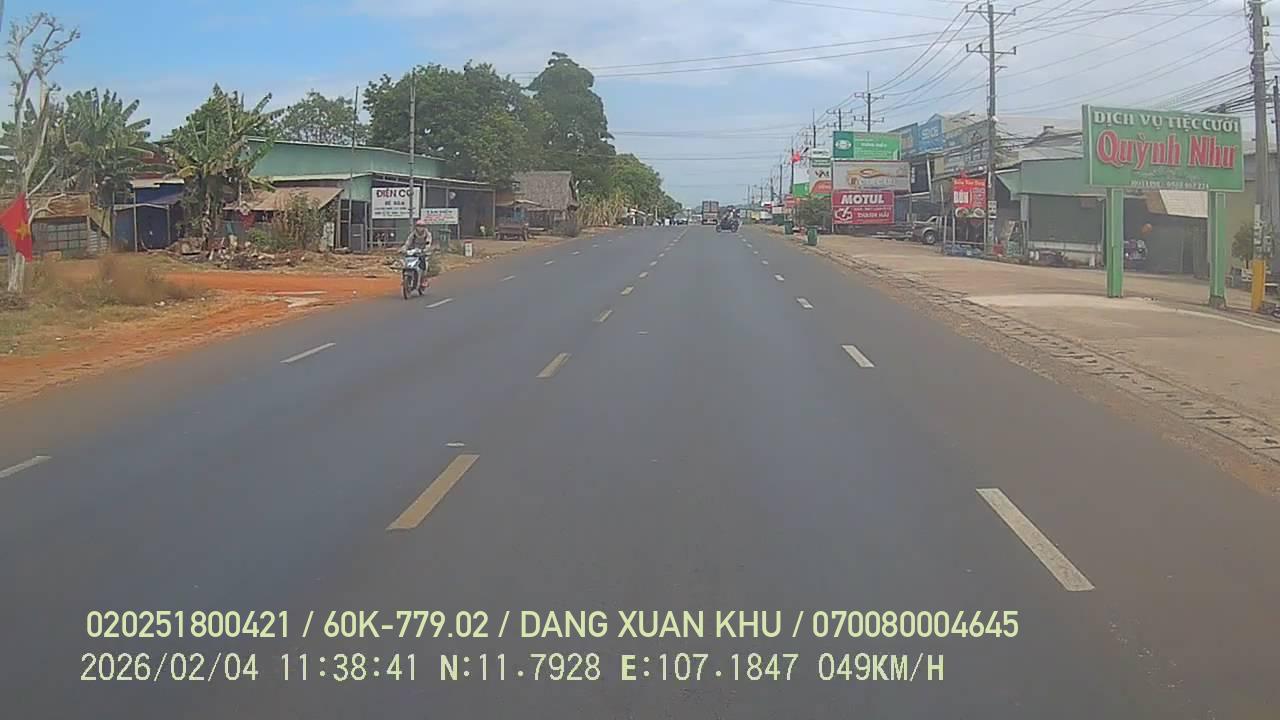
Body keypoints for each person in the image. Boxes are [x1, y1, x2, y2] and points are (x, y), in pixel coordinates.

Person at [400, 218, 434, 290]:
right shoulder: (413, 234)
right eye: (418, 226)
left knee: (424, 265)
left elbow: (428, 243)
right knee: (405, 264)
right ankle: (405, 280)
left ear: (424, 227)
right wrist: (403, 249)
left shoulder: (428, 234)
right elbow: (408, 243)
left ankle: (423, 280)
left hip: (423, 252)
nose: (420, 228)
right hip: (413, 251)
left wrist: (425, 249)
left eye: (422, 226)